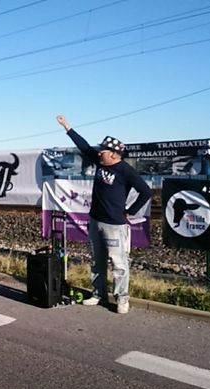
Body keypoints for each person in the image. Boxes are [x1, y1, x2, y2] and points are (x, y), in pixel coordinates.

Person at [56, 115, 152, 314]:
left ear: (115, 155)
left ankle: (122, 298)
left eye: (104, 151)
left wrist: (130, 212)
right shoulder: (100, 163)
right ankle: (98, 293)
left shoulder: (125, 170)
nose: (100, 153)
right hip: (95, 221)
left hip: (115, 225)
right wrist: (68, 128)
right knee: (97, 261)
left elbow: (146, 192)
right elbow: (84, 147)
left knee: (119, 263)